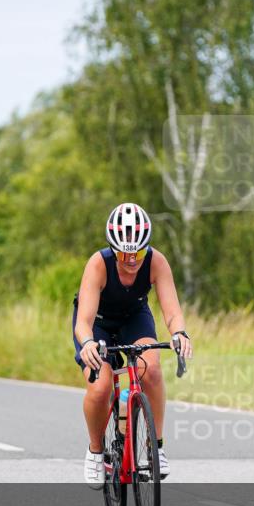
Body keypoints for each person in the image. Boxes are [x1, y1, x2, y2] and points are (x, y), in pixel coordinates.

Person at [73, 203, 192, 489]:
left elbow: (172, 312)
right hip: (98, 324)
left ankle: (156, 447)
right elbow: (83, 322)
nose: (131, 260)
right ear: (113, 249)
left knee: (151, 370)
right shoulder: (98, 264)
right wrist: (87, 343)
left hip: (134, 318)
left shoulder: (156, 262)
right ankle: (95, 451)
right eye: (124, 254)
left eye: (137, 254)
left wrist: (180, 333)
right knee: (100, 387)